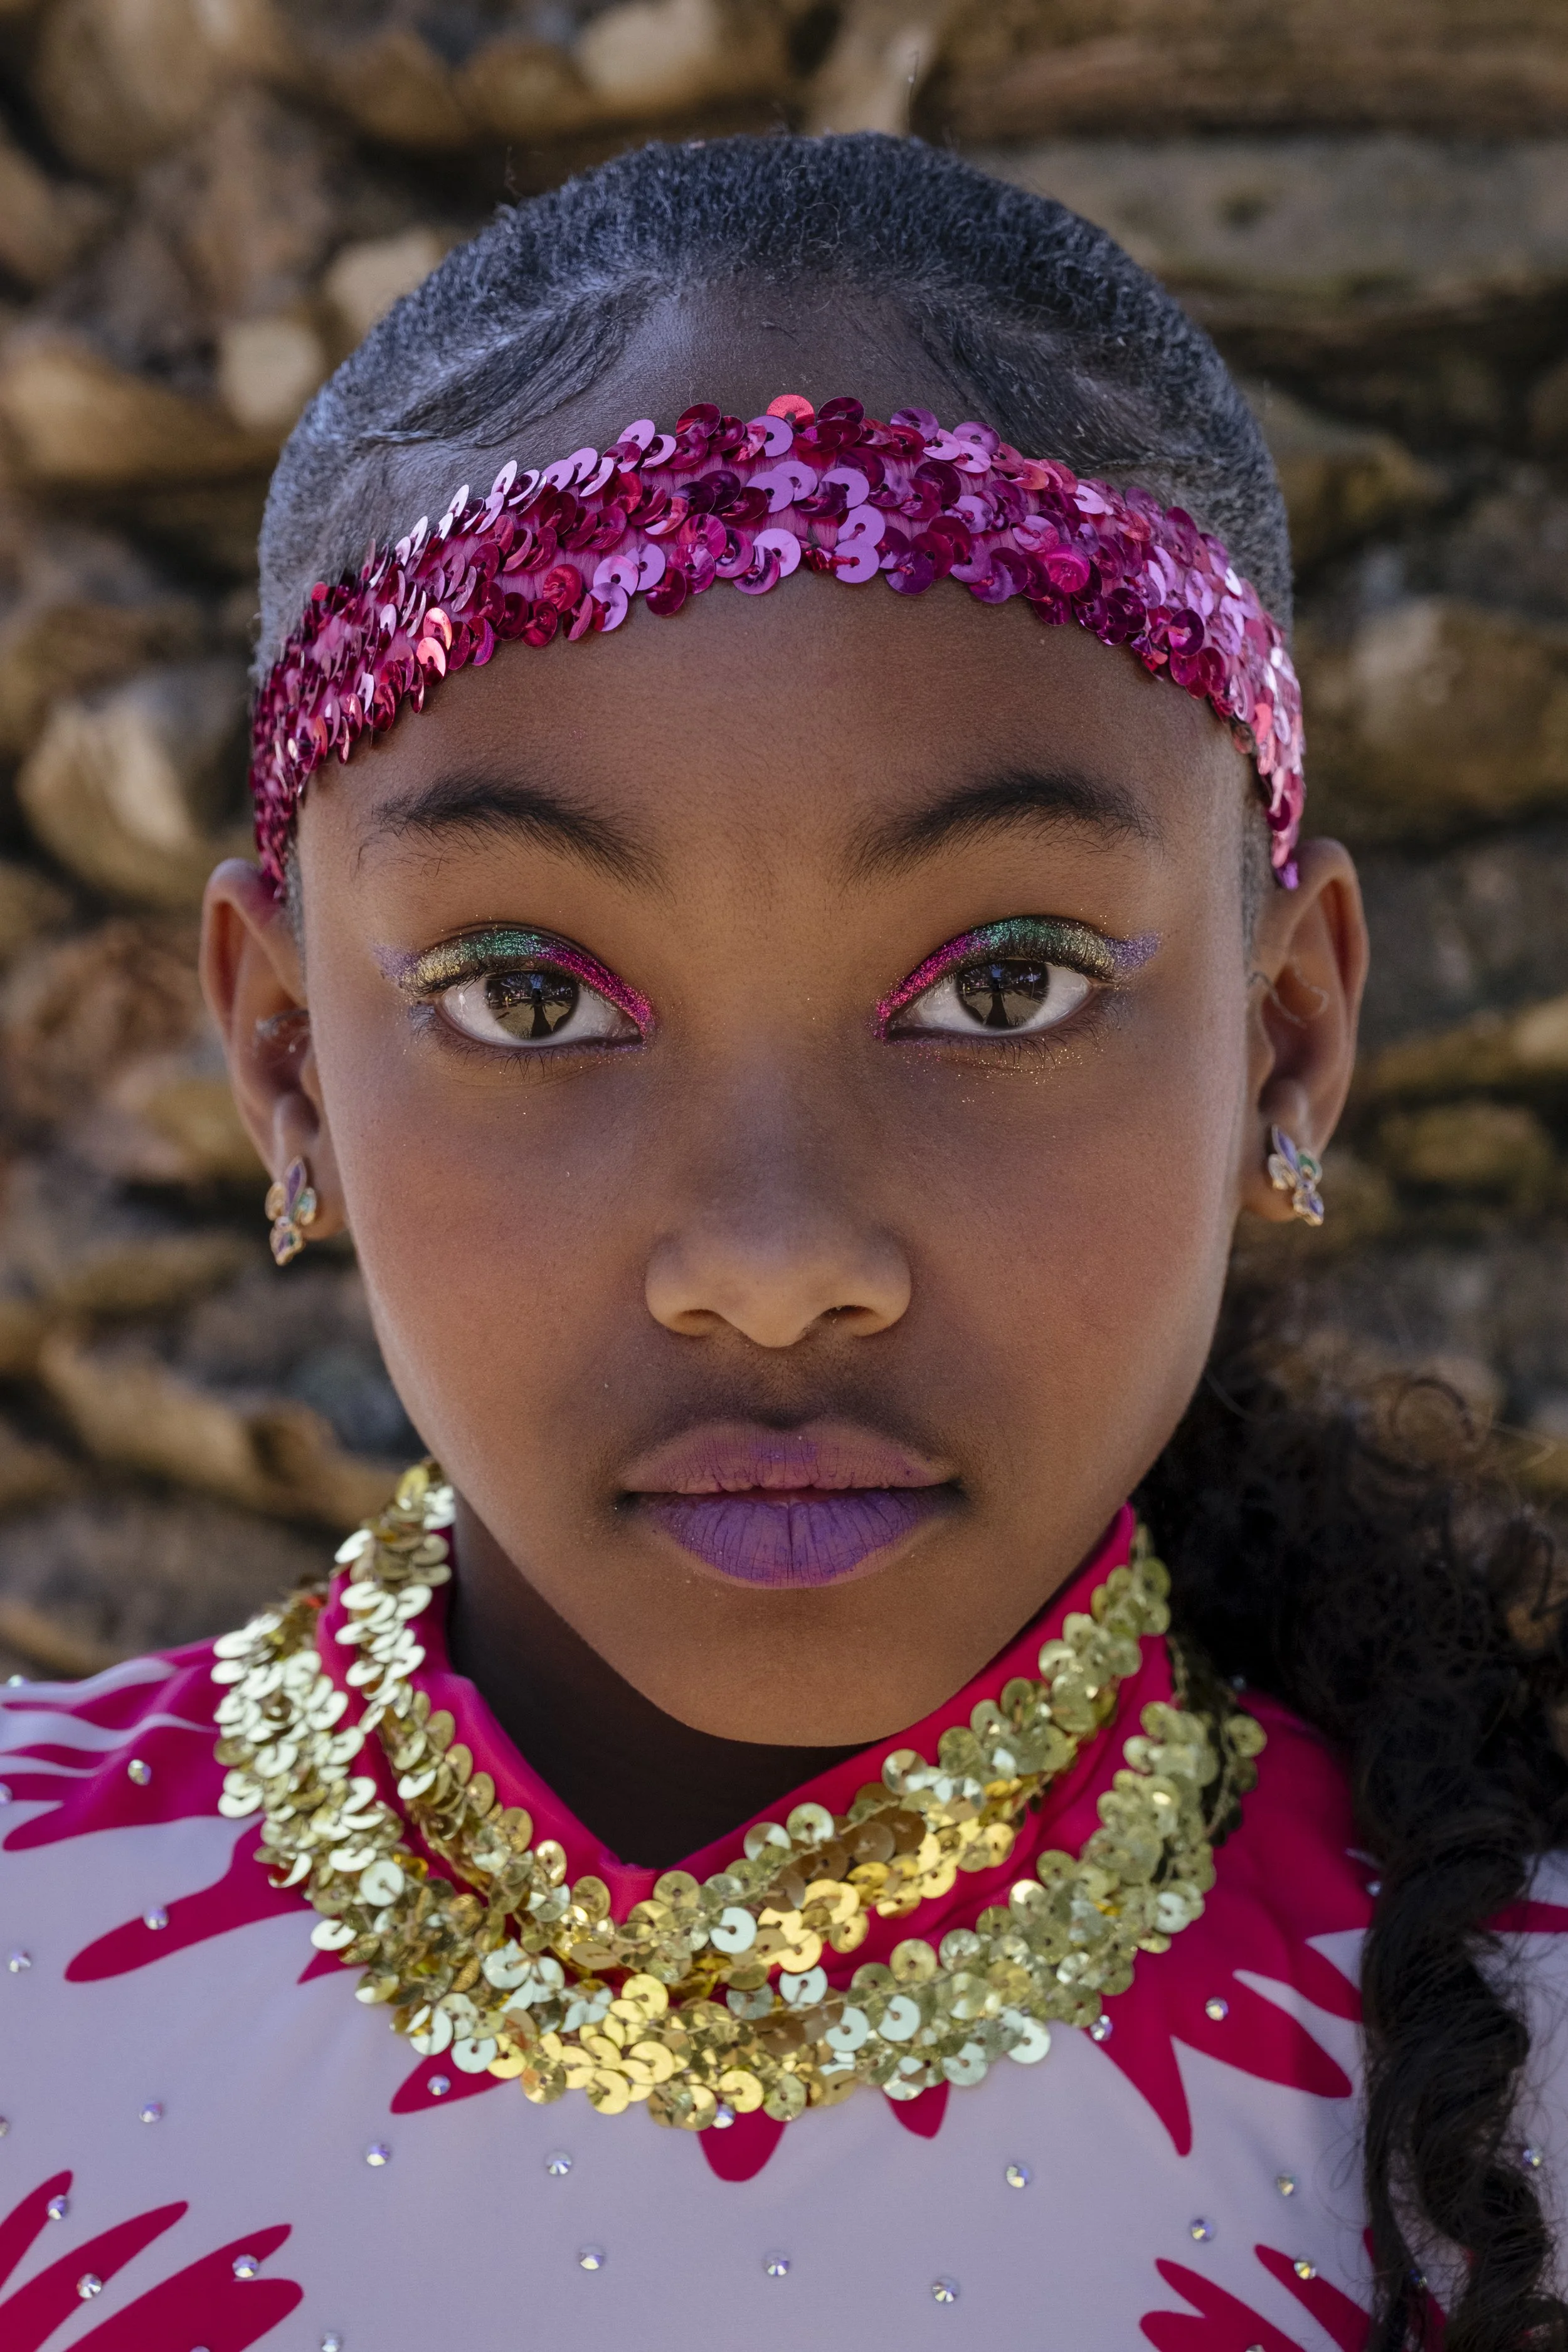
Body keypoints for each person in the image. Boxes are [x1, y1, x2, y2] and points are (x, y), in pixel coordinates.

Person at [1, 133, 1564, 2352]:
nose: (767, 1260)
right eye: (529, 996)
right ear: (282, 1059)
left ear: (1284, 1038)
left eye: (1000, 984)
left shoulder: (1523, 2094)